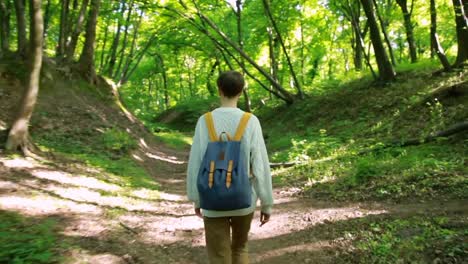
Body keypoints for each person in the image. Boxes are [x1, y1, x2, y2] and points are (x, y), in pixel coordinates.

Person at [186, 70, 274, 264]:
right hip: (244, 199)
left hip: (212, 198)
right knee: (240, 248)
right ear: (241, 91)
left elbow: (196, 162)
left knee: (219, 256)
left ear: (219, 90)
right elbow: (260, 163)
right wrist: (266, 202)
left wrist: (196, 198)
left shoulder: (204, 121)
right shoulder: (250, 121)